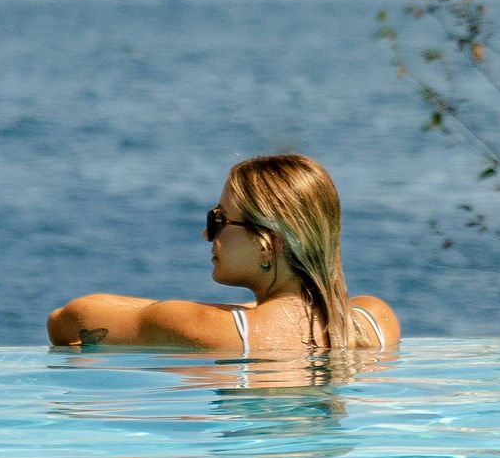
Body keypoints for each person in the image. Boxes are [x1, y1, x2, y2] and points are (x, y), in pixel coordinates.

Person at [46, 150, 398, 361]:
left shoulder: (203, 327)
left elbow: (66, 320)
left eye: (218, 220)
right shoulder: (377, 321)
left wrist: (203, 313)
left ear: (268, 244)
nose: (206, 234)